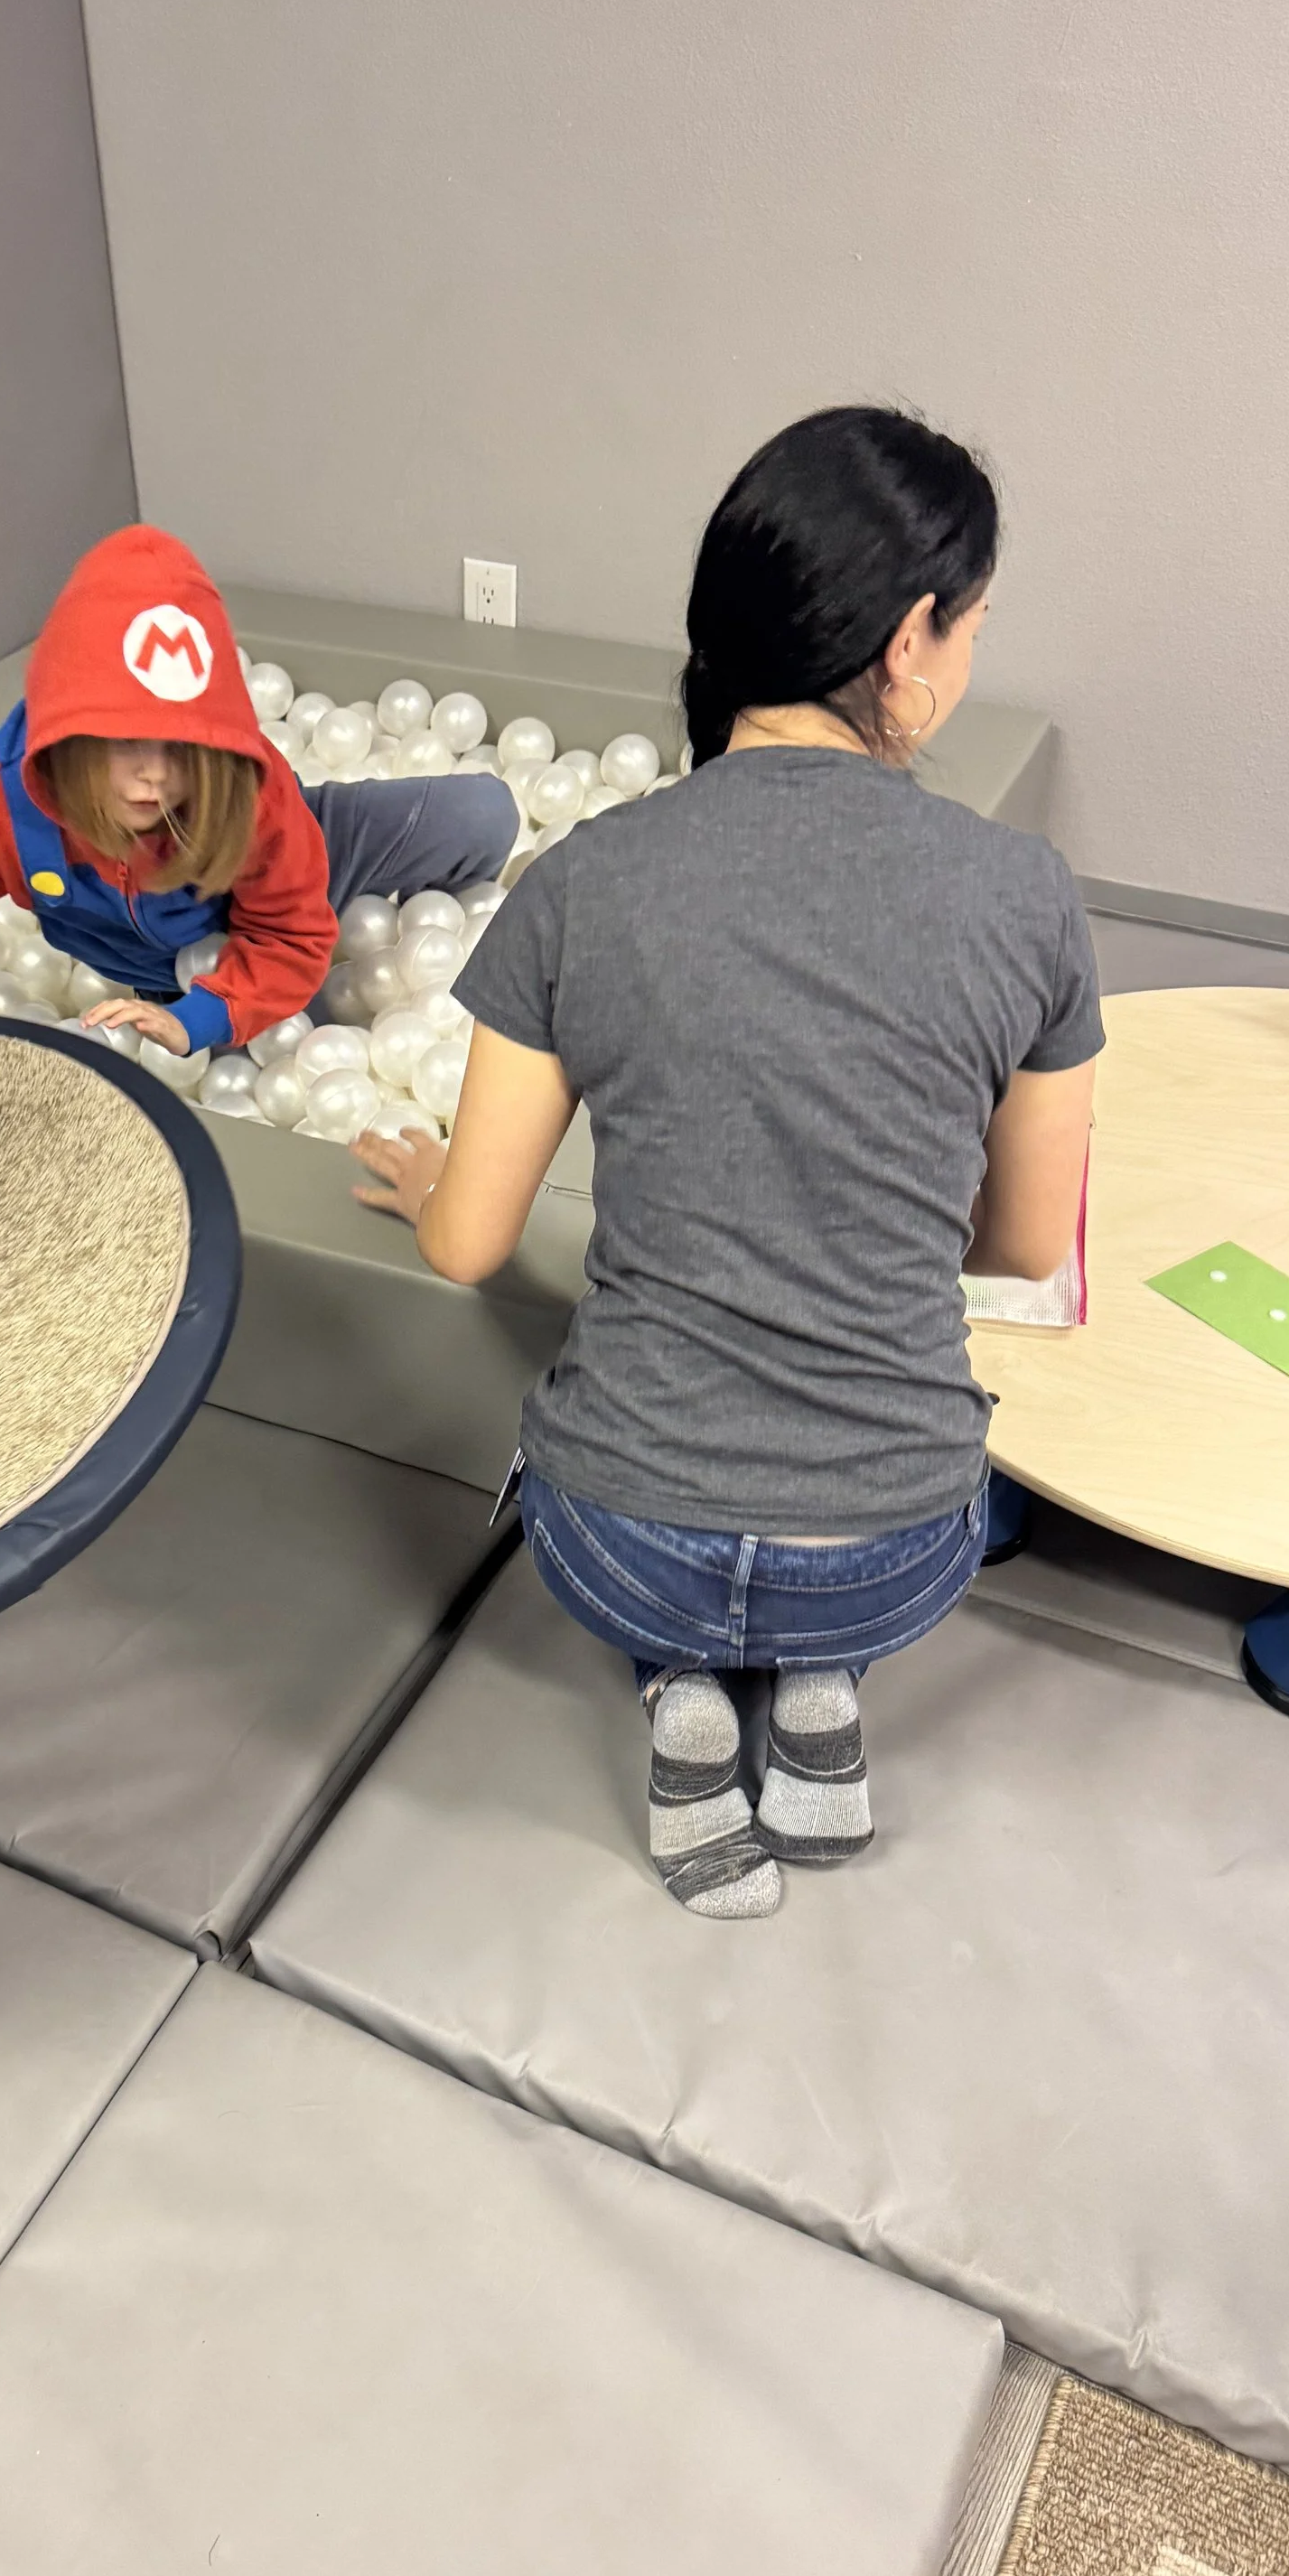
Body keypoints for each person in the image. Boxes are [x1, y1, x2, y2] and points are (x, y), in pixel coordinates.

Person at [352, 406, 1101, 1920]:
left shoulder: (586, 883)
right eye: (971, 626)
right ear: (910, 642)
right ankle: (817, 1678)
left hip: (624, 1545)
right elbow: (1026, 1240)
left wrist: (437, 1177)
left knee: (643, 1509)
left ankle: (685, 1692)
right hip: (899, 1549)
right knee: (836, 1534)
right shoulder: (1024, 895)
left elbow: (469, 1246)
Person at [0, 524, 516, 1052]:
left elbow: (292, 935)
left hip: (295, 862)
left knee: (486, 813)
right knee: (288, 1055)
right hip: (177, 969)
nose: (154, 774)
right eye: (125, 743)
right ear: (71, 739)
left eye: (181, 749)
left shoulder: (251, 796)